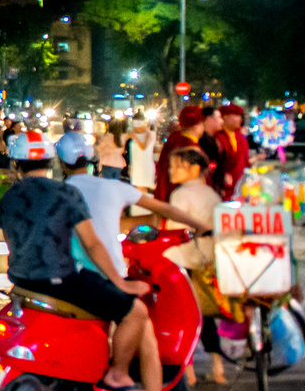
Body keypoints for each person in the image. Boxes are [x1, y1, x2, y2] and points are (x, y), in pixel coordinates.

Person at [0, 145, 178, 391]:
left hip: (22, 281)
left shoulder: (8, 199)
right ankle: (118, 373)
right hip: (63, 282)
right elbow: (93, 245)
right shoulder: (66, 194)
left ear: (16, 164)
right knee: (136, 311)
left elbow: (11, 242)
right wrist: (120, 283)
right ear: (50, 162)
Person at [64, 148, 199, 285]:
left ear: (62, 163)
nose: (171, 170)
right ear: (89, 161)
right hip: (109, 275)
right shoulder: (113, 186)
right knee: (138, 305)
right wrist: (201, 226)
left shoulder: (60, 191)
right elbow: (164, 209)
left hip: (75, 276)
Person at [164, 146, 226, 385]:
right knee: (205, 314)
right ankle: (218, 367)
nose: (171, 171)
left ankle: (187, 372)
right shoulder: (213, 195)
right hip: (210, 260)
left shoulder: (180, 195)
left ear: (194, 169)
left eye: (177, 166)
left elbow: (174, 230)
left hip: (187, 259)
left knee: (184, 315)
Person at [155, 105, 204, 202]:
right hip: (181, 199)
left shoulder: (174, 138)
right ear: (196, 126)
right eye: (202, 124)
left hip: (165, 194)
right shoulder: (190, 147)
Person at [216, 104, 250, 199]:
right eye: (236, 116)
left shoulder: (240, 137)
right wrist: (222, 175)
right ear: (226, 117)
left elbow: (245, 160)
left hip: (241, 185)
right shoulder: (219, 137)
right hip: (226, 187)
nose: (240, 120)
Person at [126, 114, 158, 191]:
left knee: (143, 190)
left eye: (138, 123)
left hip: (145, 165)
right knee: (137, 190)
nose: (137, 126)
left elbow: (143, 147)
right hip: (135, 165)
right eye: (134, 123)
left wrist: (135, 137)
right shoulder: (133, 134)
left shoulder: (150, 133)